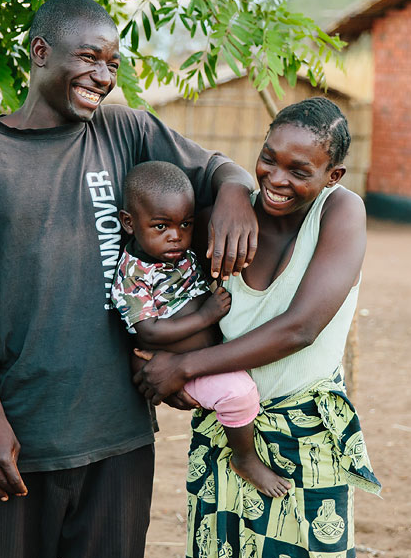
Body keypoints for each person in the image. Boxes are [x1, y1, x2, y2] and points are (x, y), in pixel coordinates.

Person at [0, 0, 259, 558]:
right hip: (19, 437)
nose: (104, 75)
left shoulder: (124, 131)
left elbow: (218, 168)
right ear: (40, 52)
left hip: (117, 433)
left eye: (114, 63)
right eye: (90, 57)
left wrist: (234, 193)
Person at [132, 97, 382, 558]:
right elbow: (168, 293)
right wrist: (169, 362)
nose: (277, 177)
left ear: (333, 174)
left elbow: (301, 327)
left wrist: (186, 368)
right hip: (225, 435)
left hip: (306, 434)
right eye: (268, 158)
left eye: (300, 170)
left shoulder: (340, 212)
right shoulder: (224, 217)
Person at [111, 160, 289, 498]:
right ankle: (245, 458)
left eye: (185, 224)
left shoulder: (178, 256)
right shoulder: (134, 274)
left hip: (203, 353)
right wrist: (206, 317)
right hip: (184, 364)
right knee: (238, 394)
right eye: (161, 226)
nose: (175, 236)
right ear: (129, 223)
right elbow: (148, 331)